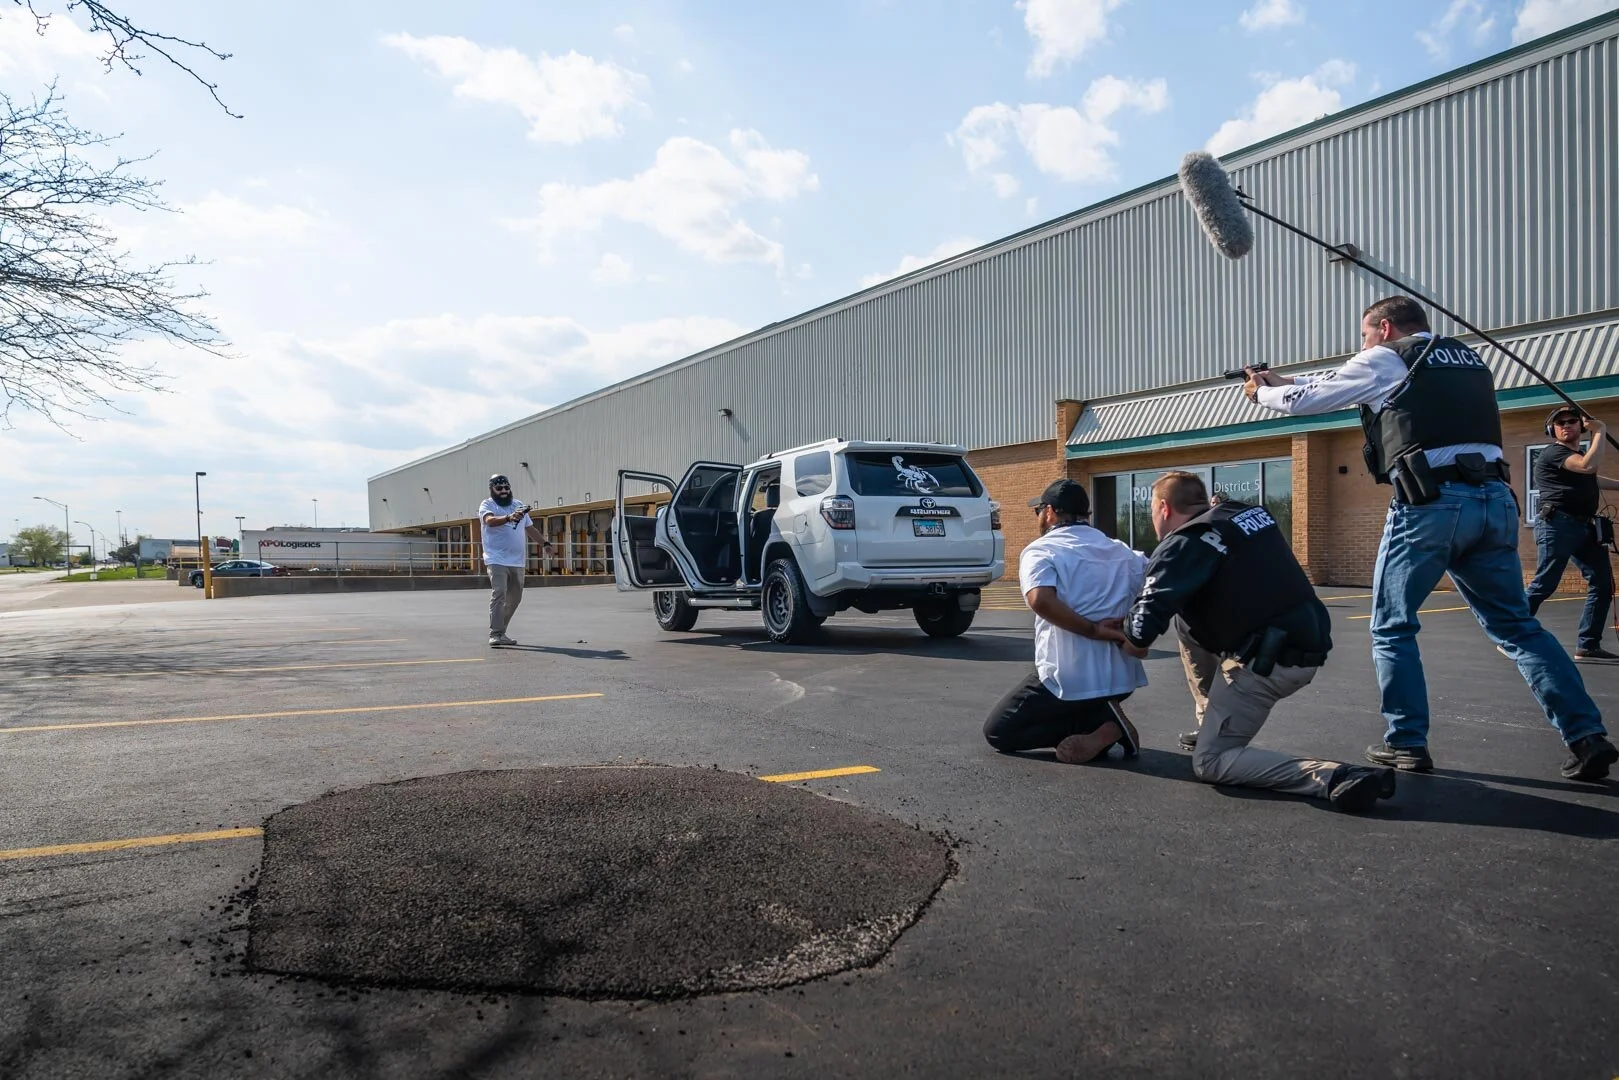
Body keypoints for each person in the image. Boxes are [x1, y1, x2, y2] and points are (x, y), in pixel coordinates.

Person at [1245, 295, 1616, 781]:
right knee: (1519, 627)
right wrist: (1286, 379)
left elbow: (1309, 401)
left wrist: (1263, 394)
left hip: (1431, 504)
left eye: (1364, 335)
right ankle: (1586, 736)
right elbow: (1339, 381)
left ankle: (1406, 742)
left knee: (1392, 626)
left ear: (1383, 328)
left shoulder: (1386, 356)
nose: (1363, 345)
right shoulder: (1466, 359)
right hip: (1495, 501)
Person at [1110, 472, 1395, 812]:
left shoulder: (1183, 543)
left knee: (1211, 762)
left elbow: (1139, 635)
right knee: (1185, 616)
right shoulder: (1241, 513)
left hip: (1267, 665)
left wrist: (1115, 632)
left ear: (1163, 508)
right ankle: (1211, 721)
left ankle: (1335, 776)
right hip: (1307, 641)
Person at [982, 479, 1145, 764]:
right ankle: (1102, 727)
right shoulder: (1123, 551)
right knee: (1073, 712)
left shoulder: (1042, 550)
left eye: (1038, 511)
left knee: (999, 731)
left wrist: (1093, 630)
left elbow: (1040, 600)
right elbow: (1155, 587)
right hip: (1121, 680)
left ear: (1050, 512)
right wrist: (1134, 628)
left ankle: (1105, 725)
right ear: (1085, 515)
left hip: (1067, 679)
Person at [1525, 405, 1618, 661]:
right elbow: (1588, 467)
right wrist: (1600, 430)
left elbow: (1592, 478)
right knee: (1545, 583)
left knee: (1603, 584)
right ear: (1552, 430)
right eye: (1560, 422)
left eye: (1571, 421)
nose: (1566, 425)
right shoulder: (1554, 452)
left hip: (1584, 527)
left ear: (1580, 426)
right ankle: (1510, 634)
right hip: (1557, 524)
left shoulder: (1578, 457)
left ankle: (1588, 646)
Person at [479, 473, 551, 647]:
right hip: (496, 558)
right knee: (499, 593)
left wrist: (545, 543)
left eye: (506, 487)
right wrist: (509, 517)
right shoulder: (487, 504)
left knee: (515, 597)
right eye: (499, 488)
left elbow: (530, 528)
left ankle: (501, 631)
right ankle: (495, 633)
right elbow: (489, 521)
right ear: (492, 489)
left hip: (517, 561)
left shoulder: (518, 505)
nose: (503, 491)